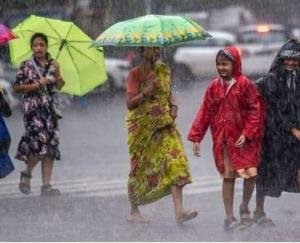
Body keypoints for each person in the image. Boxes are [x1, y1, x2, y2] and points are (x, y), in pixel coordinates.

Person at [188, 47, 263, 230]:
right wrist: (197, 137)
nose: (222, 68)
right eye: (219, 64)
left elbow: (256, 111)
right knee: (228, 177)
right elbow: (205, 112)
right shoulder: (214, 87)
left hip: (245, 141)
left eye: (225, 64)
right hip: (225, 141)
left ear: (235, 64)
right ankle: (229, 217)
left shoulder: (245, 84)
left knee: (250, 174)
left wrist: (247, 133)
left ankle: (244, 206)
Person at [126, 46, 197, 224]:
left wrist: (174, 106)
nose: (156, 52)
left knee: (176, 161)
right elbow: (129, 103)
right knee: (140, 168)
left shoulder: (164, 70)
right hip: (143, 129)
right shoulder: (135, 74)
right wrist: (145, 92)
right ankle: (134, 210)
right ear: (142, 52)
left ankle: (179, 211)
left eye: (158, 48)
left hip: (165, 124)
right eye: (152, 49)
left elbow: (169, 94)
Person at [254, 39, 300, 225]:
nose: (290, 62)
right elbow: (277, 107)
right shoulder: (272, 79)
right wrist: (292, 128)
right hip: (275, 134)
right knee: (266, 173)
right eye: (286, 59)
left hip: (294, 133)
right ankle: (258, 211)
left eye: (294, 59)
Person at [13, 32, 65, 196]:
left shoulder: (53, 63)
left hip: (49, 110)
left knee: (50, 146)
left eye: (42, 45)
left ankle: (46, 186)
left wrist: (57, 73)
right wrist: (36, 84)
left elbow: (60, 86)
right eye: (35, 45)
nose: (39, 48)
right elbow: (17, 88)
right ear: (31, 48)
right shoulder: (26, 65)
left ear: (47, 46)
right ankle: (27, 173)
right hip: (33, 109)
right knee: (38, 144)